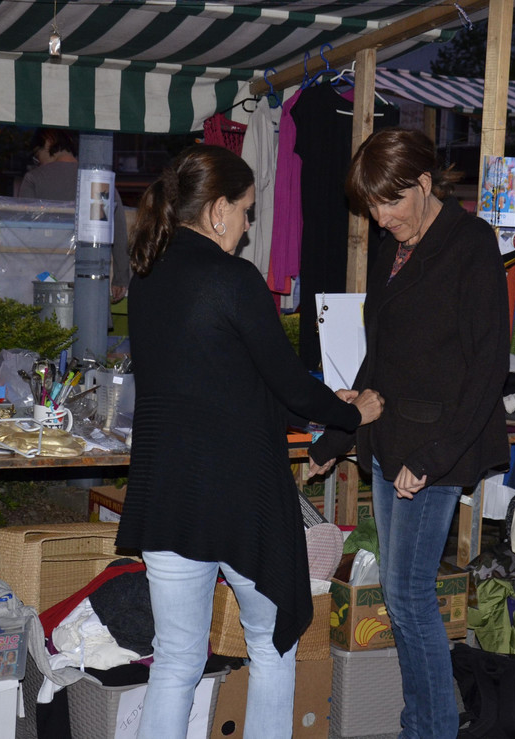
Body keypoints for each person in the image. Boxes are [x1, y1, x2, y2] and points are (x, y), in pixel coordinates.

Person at [114, 144, 384, 739]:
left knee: (176, 660)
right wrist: (353, 412)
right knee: (270, 646)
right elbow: (287, 384)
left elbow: (221, 377)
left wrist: (327, 406)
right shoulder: (232, 278)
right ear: (217, 211)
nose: (247, 225)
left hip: (166, 492)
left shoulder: (147, 278)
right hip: (239, 496)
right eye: (245, 211)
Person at [308, 128, 510, 739]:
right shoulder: (391, 245)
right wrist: (336, 435)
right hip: (387, 442)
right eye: (371, 205)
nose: (380, 217)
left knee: (411, 596)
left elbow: (488, 366)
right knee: (401, 597)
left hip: (434, 449)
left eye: (390, 202)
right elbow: (380, 356)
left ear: (425, 183)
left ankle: (430, 729)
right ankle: (422, 723)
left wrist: (435, 457)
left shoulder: (471, 243)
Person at [19, 128, 131, 302]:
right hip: (92, 283)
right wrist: (121, 278)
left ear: (48, 142)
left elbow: (22, 232)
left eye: (37, 154)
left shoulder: (33, 179)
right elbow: (119, 232)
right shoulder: (100, 179)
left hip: (44, 280)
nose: (38, 161)